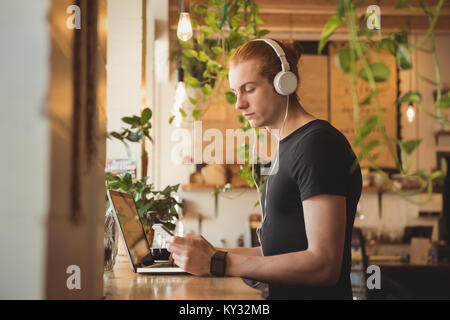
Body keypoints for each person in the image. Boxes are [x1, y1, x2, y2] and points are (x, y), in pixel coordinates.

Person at [167, 38, 363, 300]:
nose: (239, 104)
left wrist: (219, 263)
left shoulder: (317, 144)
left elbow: (324, 264)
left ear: (284, 84)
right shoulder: (288, 147)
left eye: (249, 89)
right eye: (236, 92)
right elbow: (280, 252)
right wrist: (212, 253)